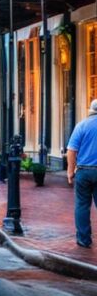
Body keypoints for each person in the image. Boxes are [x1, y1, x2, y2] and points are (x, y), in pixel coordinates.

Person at [67, 99, 97, 248]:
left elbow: (71, 151)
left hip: (83, 171)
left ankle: (84, 239)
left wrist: (70, 171)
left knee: (82, 206)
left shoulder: (82, 125)